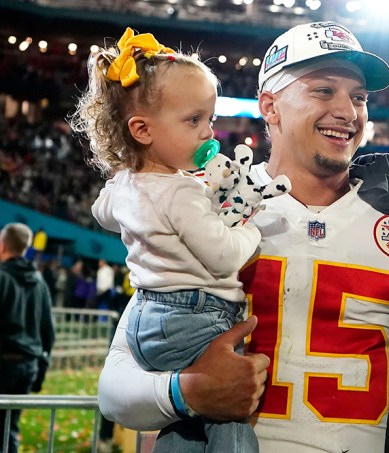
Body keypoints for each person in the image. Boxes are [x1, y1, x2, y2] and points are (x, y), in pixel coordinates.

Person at [97, 21, 389, 452]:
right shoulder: (204, 204)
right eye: (323, 90)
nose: (348, 112)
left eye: (359, 97)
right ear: (270, 106)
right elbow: (115, 390)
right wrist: (189, 393)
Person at [69, 27, 289, 452]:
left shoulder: (127, 184)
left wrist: (140, 208)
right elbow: (223, 256)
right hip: (195, 316)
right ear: (143, 130)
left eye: (209, 119)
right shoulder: (182, 192)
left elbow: (103, 214)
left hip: (146, 319)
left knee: (189, 428)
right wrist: (249, 228)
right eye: (194, 121)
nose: (208, 132)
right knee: (229, 413)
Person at [0, 223, 56, 453]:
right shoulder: (39, 282)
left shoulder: (2, 277)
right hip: (27, 366)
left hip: (4, 364)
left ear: (3, 245)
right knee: (8, 429)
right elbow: (48, 333)